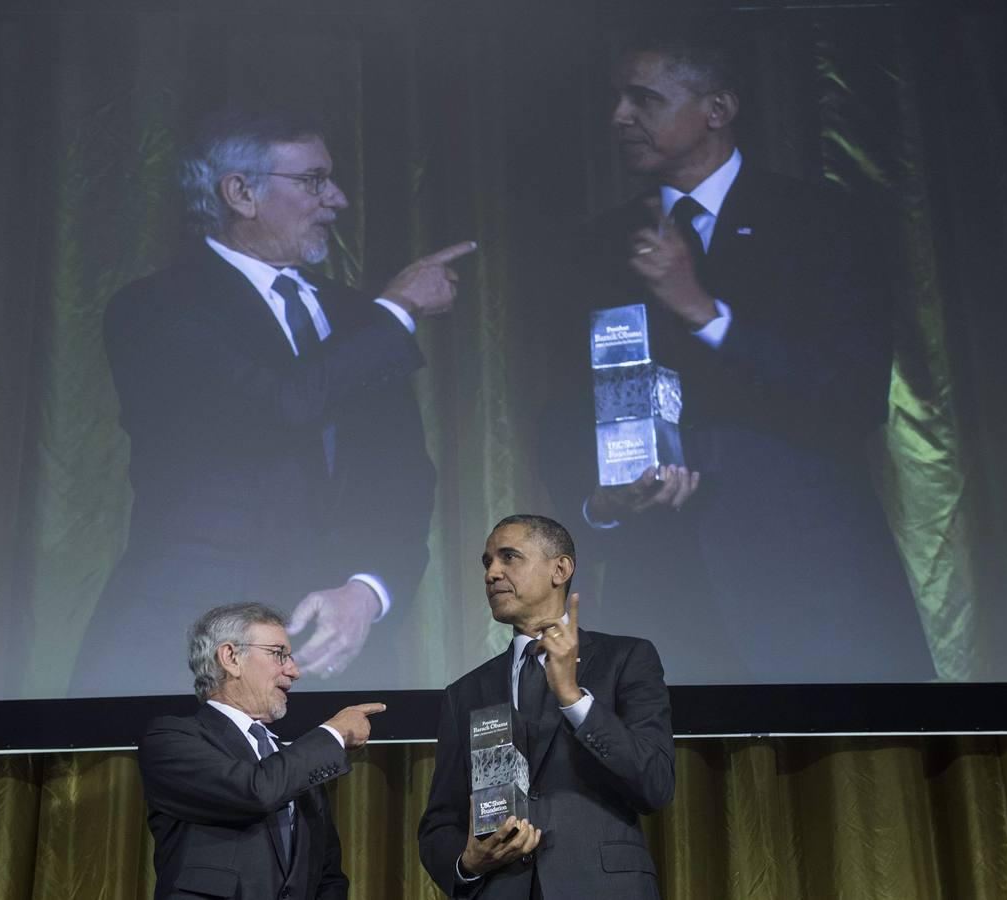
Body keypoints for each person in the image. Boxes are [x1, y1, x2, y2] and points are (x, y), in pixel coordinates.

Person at [542, 27, 936, 683]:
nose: (619, 116)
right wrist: (600, 502)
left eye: (644, 99)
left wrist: (704, 313)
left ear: (717, 109)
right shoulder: (599, 245)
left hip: (812, 586)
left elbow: (852, 396)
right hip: (662, 595)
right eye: (617, 99)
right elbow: (562, 407)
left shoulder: (822, 221)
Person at [71, 108, 476, 694]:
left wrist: (367, 592)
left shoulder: (357, 318)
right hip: (190, 652)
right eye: (313, 181)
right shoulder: (155, 309)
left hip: (336, 660)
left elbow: (402, 477)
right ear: (240, 193)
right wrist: (399, 309)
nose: (337, 199)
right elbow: (281, 405)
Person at [418, 514, 676, 899]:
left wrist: (573, 698)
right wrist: (468, 863)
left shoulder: (625, 659)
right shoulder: (465, 692)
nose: (492, 573)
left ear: (560, 569)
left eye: (509, 557)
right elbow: (441, 822)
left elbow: (655, 784)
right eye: (487, 562)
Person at [139, 602, 383, 899]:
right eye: (279, 654)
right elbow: (253, 791)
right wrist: (333, 733)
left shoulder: (292, 762)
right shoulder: (171, 739)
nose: (294, 671)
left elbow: (327, 874)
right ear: (231, 658)